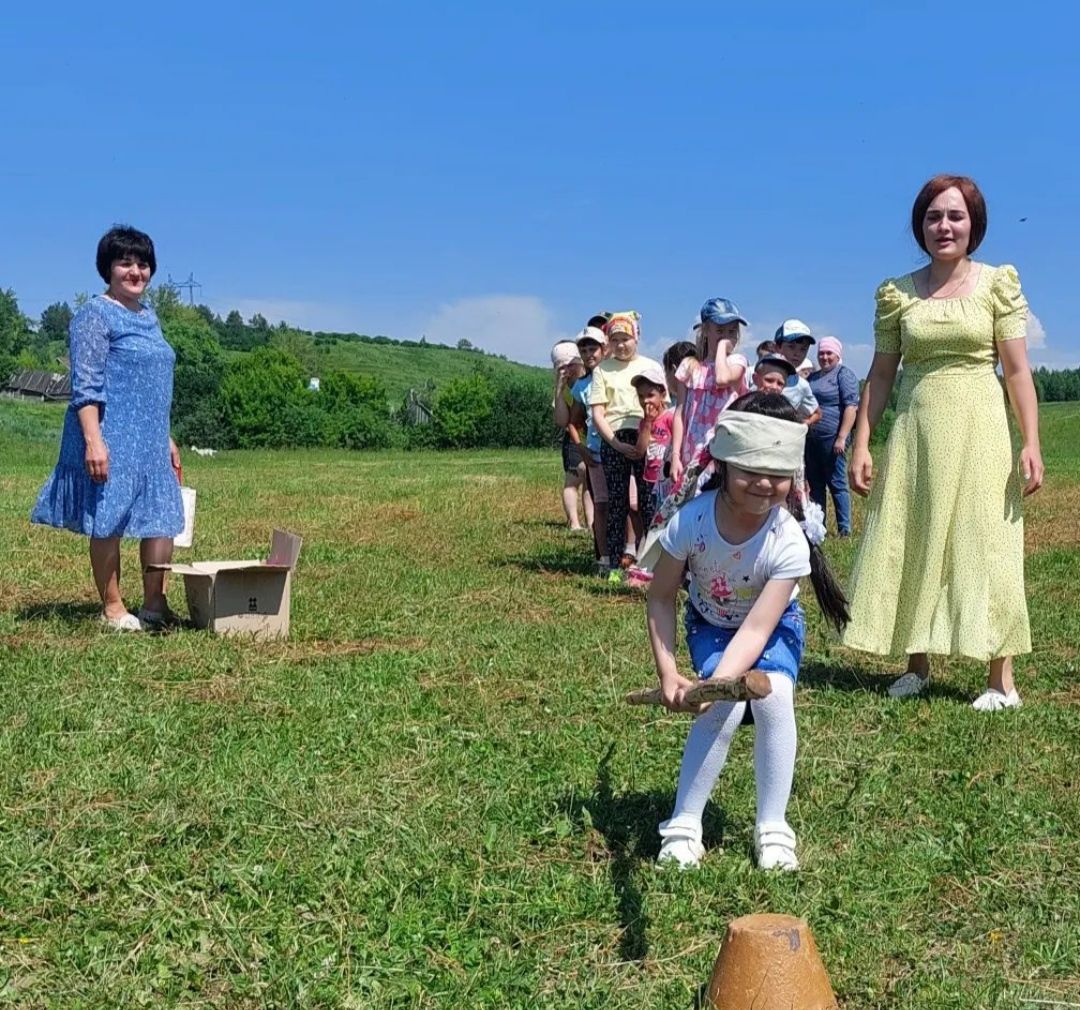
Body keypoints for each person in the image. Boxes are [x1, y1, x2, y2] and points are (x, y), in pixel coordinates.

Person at [845, 174, 1044, 711]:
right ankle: (917, 663)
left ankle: (1000, 678)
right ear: (920, 226)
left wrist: (1031, 441)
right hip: (916, 429)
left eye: (955, 216)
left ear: (973, 224)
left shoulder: (997, 283)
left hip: (981, 423)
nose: (944, 226)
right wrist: (862, 442)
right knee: (916, 533)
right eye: (933, 217)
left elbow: (1018, 370)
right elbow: (881, 375)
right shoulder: (897, 294)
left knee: (987, 542)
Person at [645, 394, 849, 870]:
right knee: (723, 710)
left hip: (773, 627)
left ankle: (773, 827)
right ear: (724, 461)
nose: (764, 483)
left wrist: (711, 687)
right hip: (712, 623)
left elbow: (759, 629)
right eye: (750, 469)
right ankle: (683, 824)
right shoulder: (691, 522)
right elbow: (659, 596)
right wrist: (671, 673)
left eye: (779, 472)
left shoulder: (788, 541)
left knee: (774, 696)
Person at [31, 225, 184, 631]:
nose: (136, 271)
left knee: (162, 519)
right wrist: (93, 440)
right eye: (125, 263)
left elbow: (152, 384)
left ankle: (155, 604)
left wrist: (166, 436)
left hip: (151, 439)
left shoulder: (150, 317)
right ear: (108, 269)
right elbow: (86, 384)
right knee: (110, 519)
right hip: (111, 435)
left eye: (143, 263)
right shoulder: (94, 315)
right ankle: (113, 608)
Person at [588, 312, 661, 567]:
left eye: (626, 338)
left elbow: (662, 405)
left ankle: (650, 562)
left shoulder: (651, 367)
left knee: (648, 502)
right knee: (617, 503)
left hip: (648, 436)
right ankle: (613, 562)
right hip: (614, 438)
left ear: (637, 337)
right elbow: (598, 412)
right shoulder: (602, 370)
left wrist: (648, 434)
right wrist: (615, 443)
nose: (620, 345)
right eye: (615, 339)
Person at [670, 298, 750, 489]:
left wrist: (722, 347)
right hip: (692, 453)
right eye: (719, 331)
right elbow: (679, 413)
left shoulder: (737, 362)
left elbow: (722, 379)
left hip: (725, 450)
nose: (727, 336)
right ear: (705, 330)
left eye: (732, 331)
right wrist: (674, 455)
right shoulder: (689, 366)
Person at [561, 326, 609, 570]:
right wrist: (580, 447)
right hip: (596, 452)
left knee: (628, 504)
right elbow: (574, 421)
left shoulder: (615, 374)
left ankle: (628, 554)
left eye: (593, 348)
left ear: (604, 349)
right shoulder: (581, 386)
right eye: (584, 349)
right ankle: (602, 556)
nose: (589, 353)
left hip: (620, 448)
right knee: (601, 504)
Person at [806, 337, 859, 537]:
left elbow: (851, 407)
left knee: (837, 484)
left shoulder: (844, 375)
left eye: (829, 353)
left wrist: (842, 437)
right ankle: (820, 528)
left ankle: (844, 530)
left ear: (838, 355)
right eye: (821, 353)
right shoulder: (813, 377)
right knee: (816, 485)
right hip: (812, 440)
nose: (825, 357)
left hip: (833, 438)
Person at [551, 346, 590, 531]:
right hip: (573, 438)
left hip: (593, 436)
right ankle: (574, 522)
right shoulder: (563, 390)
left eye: (571, 364)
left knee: (591, 481)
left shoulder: (592, 380)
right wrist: (559, 390)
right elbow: (561, 421)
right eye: (562, 366)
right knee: (573, 480)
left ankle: (592, 523)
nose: (568, 369)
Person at [773, 320, 822, 424]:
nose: (797, 353)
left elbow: (817, 414)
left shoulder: (801, 385)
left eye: (803, 349)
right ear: (778, 347)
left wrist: (800, 426)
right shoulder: (754, 373)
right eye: (791, 347)